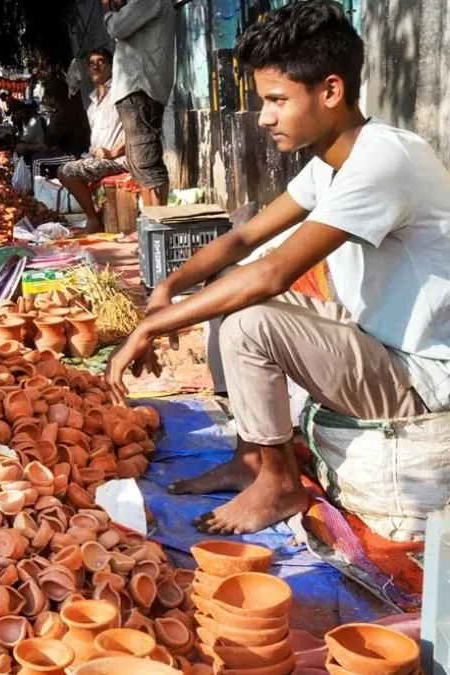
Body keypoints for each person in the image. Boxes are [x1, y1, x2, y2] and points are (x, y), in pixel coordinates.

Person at [105, 0, 450, 534]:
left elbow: (272, 274)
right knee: (229, 289)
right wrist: (167, 288)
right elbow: (243, 238)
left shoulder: (384, 160)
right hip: (378, 347)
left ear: (330, 91)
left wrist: (153, 324)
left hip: (421, 378)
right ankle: (251, 458)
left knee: (249, 316)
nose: (264, 117)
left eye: (276, 100)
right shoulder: (333, 164)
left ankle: (280, 482)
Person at [103, 0, 175, 206]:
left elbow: (117, 27)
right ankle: (152, 223)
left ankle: (157, 223)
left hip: (140, 88)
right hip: (136, 90)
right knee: (138, 160)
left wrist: (107, 10)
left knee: (145, 160)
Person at [58, 48, 128, 232]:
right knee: (62, 171)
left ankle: (93, 220)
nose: (96, 66)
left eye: (101, 61)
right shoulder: (92, 102)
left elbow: (135, 132)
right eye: (91, 63)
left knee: (69, 171)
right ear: (88, 71)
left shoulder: (120, 94)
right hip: (98, 158)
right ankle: (95, 213)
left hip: (119, 159)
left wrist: (112, 152)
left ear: (112, 67)